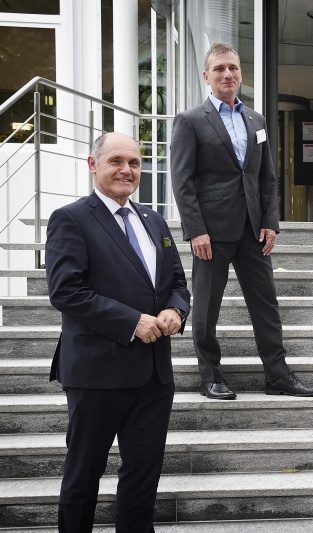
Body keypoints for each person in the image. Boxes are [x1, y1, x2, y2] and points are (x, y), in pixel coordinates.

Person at [45, 132, 191, 532]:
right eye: (116, 161)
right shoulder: (71, 219)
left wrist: (176, 311)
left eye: (134, 162)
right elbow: (66, 292)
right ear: (93, 165)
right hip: (97, 373)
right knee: (82, 478)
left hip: (154, 374)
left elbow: (177, 282)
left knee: (143, 478)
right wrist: (132, 321)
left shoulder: (154, 220)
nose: (127, 170)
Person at [171, 42, 313, 399]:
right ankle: (211, 376)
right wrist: (195, 230)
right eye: (220, 68)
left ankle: (278, 375)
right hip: (212, 231)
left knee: (265, 304)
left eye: (233, 68)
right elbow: (182, 179)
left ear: (240, 74)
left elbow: (266, 177)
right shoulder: (191, 121)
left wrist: (271, 222)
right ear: (207, 77)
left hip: (253, 230)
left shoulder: (256, 120)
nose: (228, 74)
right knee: (206, 307)